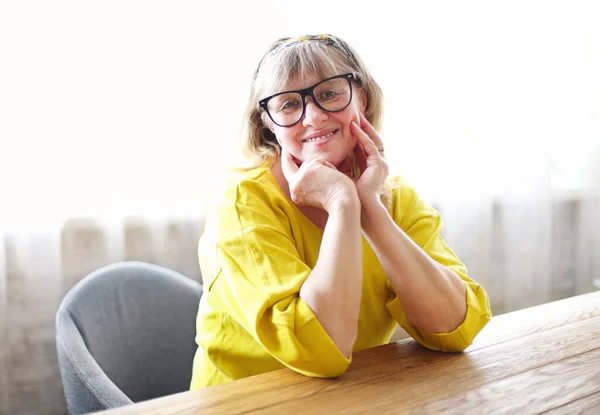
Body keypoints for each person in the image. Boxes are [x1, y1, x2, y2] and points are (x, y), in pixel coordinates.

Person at [190, 34, 491, 390]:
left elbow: (456, 327)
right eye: (288, 104)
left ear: (361, 98)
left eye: (329, 93)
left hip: (356, 399)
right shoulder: (240, 204)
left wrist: (372, 213)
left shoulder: (395, 196)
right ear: (268, 122)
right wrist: (342, 203)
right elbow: (320, 350)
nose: (314, 117)